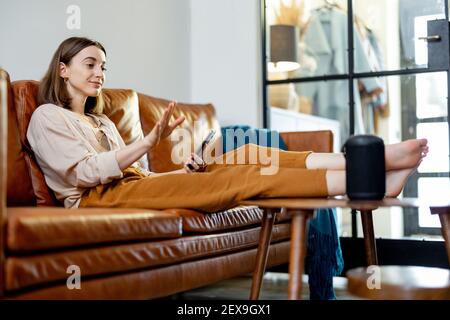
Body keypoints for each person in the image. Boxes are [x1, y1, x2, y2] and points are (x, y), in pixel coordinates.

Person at [27, 37, 429, 212]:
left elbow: (142, 178)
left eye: (103, 66)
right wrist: (148, 141)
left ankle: (375, 164)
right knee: (244, 179)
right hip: (98, 199)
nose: (100, 73)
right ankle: (372, 177)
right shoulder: (47, 117)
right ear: (63, 70)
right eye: (90, 64)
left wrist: (182, 171)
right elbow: (84, 174)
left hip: (132, 186)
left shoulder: (100, 119)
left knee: (249, 154)